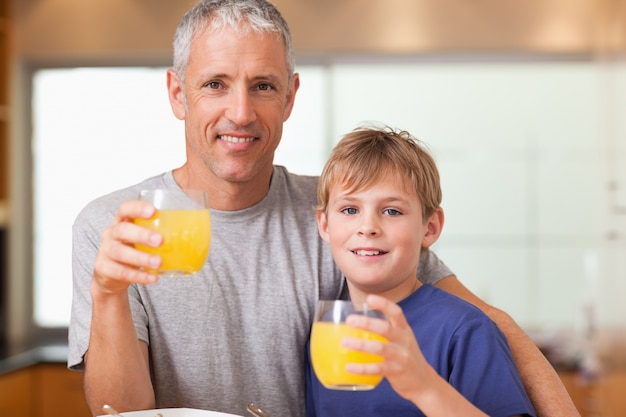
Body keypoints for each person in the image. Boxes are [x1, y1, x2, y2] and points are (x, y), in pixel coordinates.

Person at [67, 1, 579, 417]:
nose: (240, 113)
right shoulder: (117, 228)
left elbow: (485, 322)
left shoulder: (344, 213)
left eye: (263, 86)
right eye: (215, 84)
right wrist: (108, 293)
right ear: (178, 94)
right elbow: (122, 410)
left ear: (289, 97)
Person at [306, 125, 536, 417]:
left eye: (392, 211)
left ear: (430, 228)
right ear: (325, 225)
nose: (368, 228)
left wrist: (426, 387)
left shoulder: (465, 330)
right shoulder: (326, 334)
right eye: (350, 210)